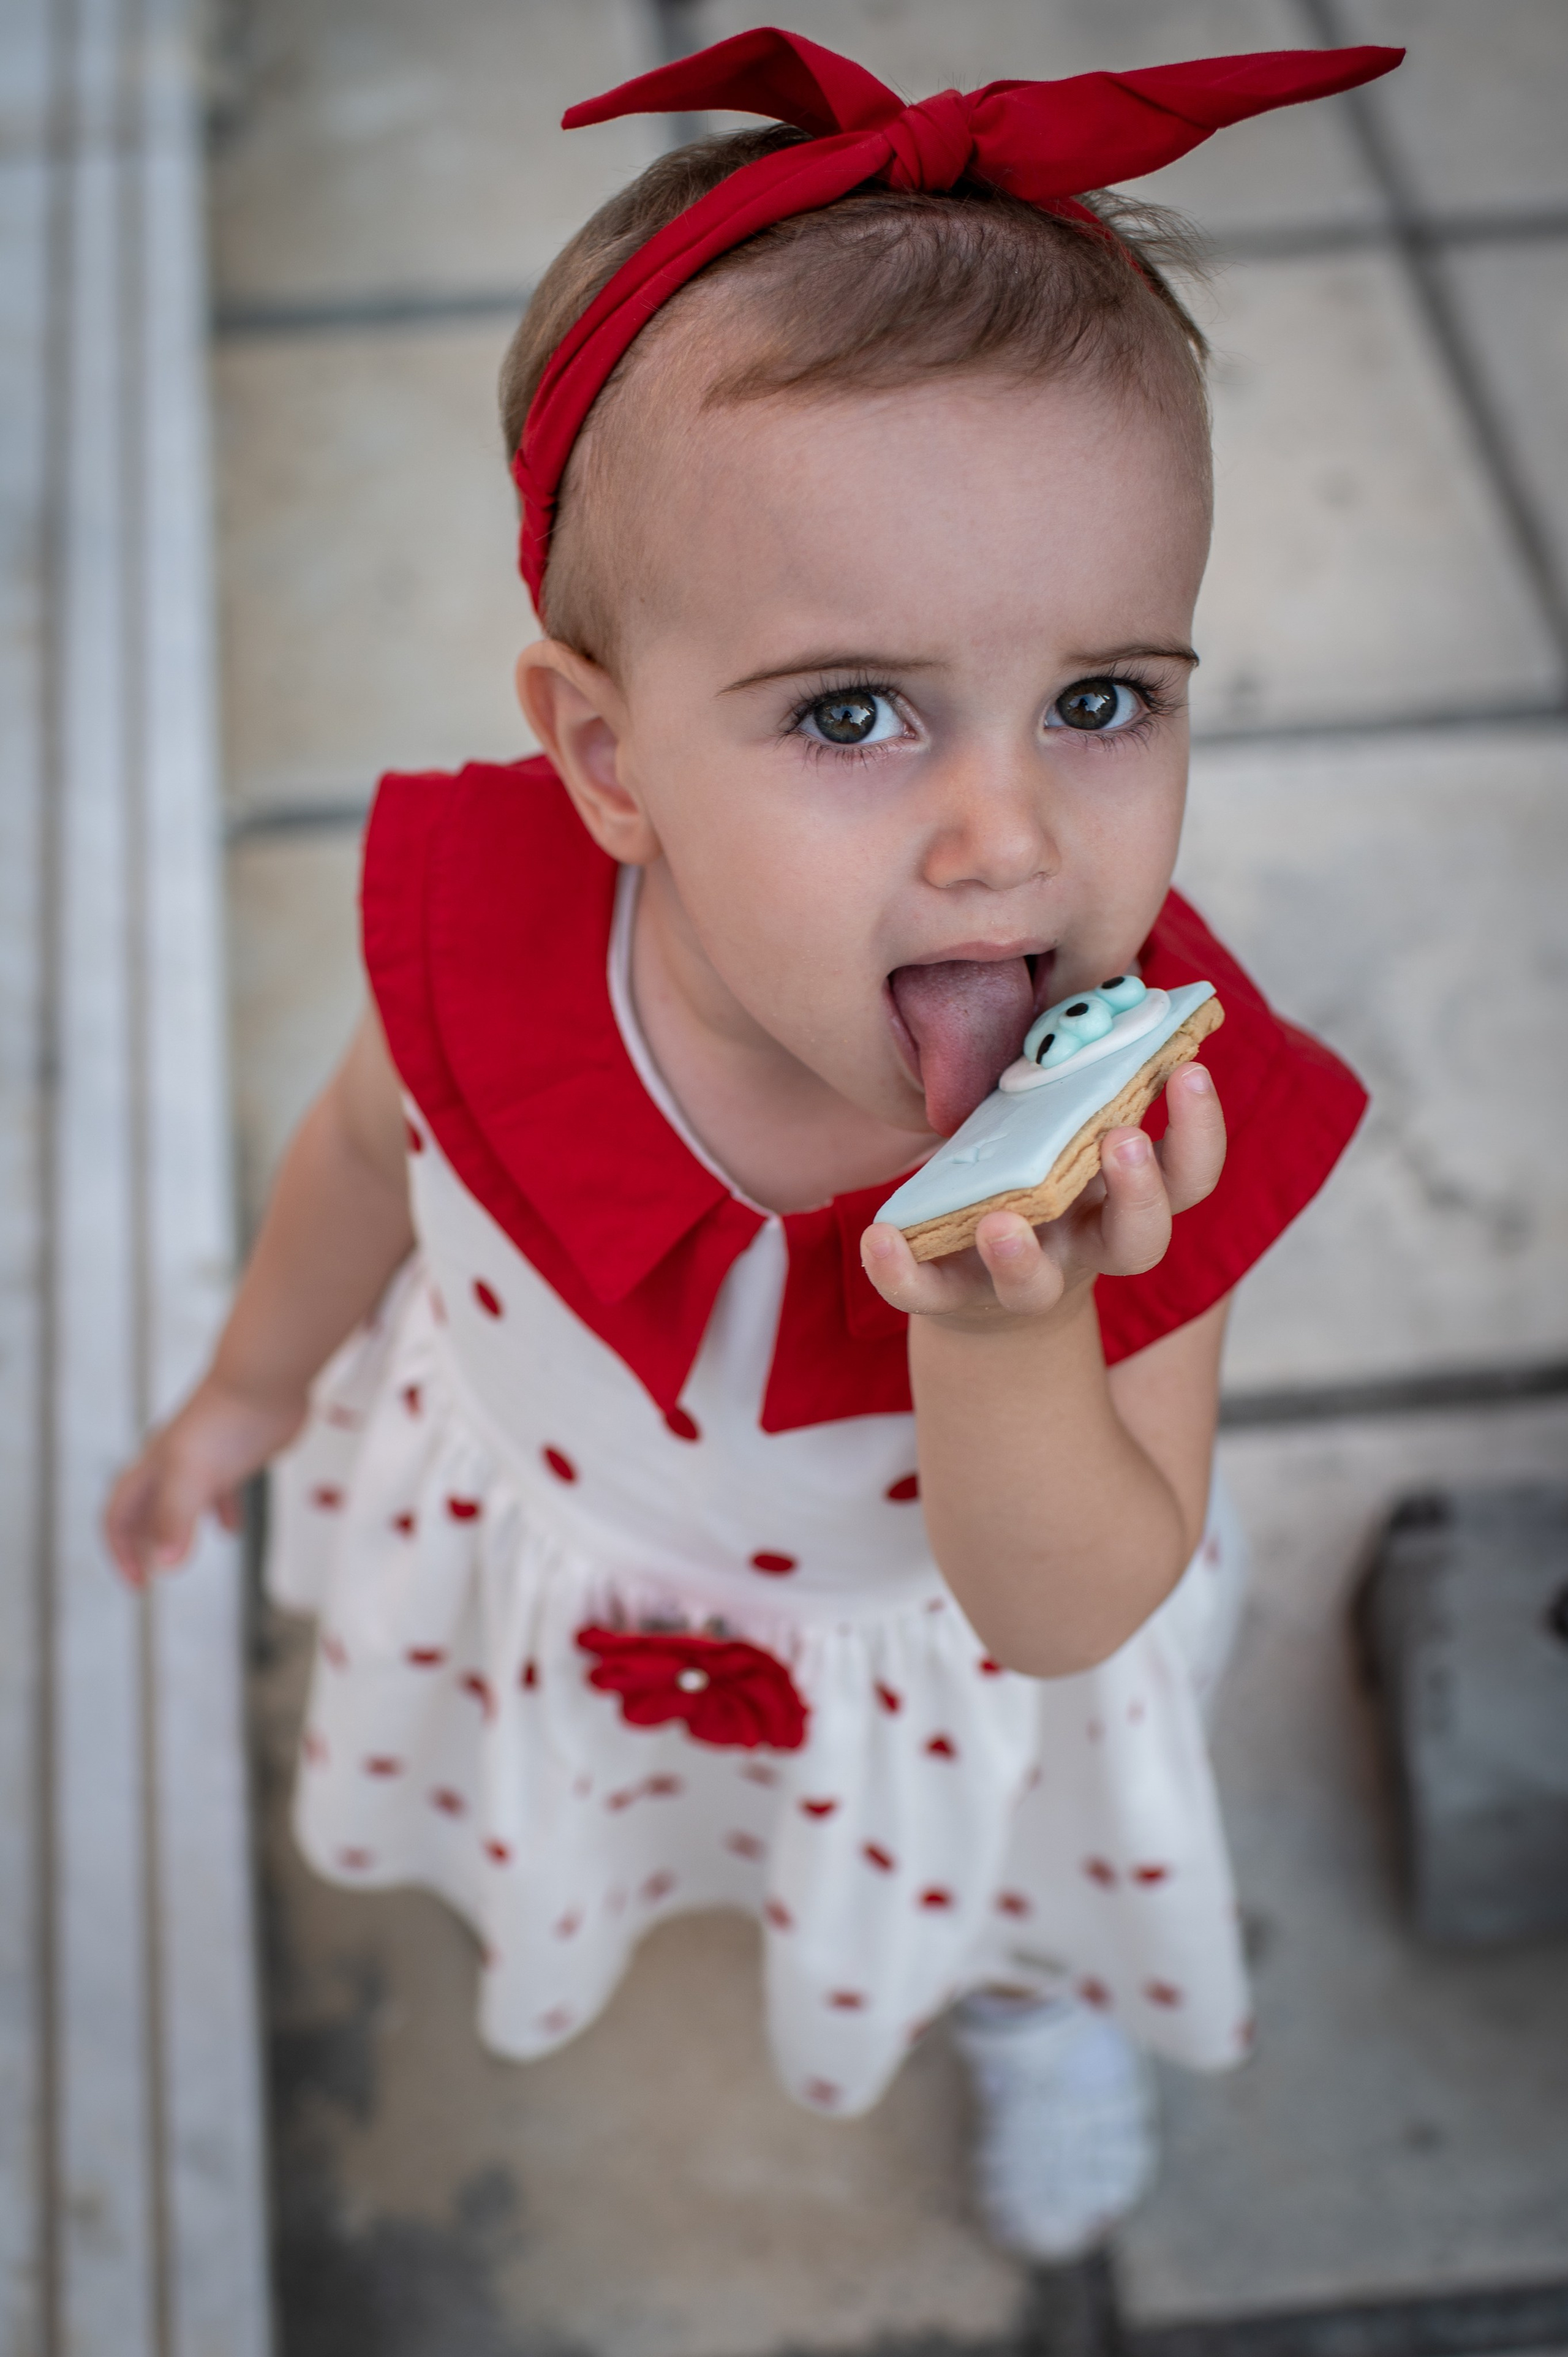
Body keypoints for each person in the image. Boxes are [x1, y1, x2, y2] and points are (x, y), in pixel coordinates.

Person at [107, 29, 1396, 2264]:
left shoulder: (1143, 1138)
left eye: (1104, 699)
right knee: (614, 1803)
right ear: (606, 757)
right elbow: (352, 1164)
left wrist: (1015, 1332)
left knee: (994, 1875)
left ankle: (1025, 1993)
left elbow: (1075, 1605)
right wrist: (250, 1382)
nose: (1008, 833)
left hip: (946, 1683)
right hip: (571, 1565)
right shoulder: (496, 961)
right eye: (851, 712)